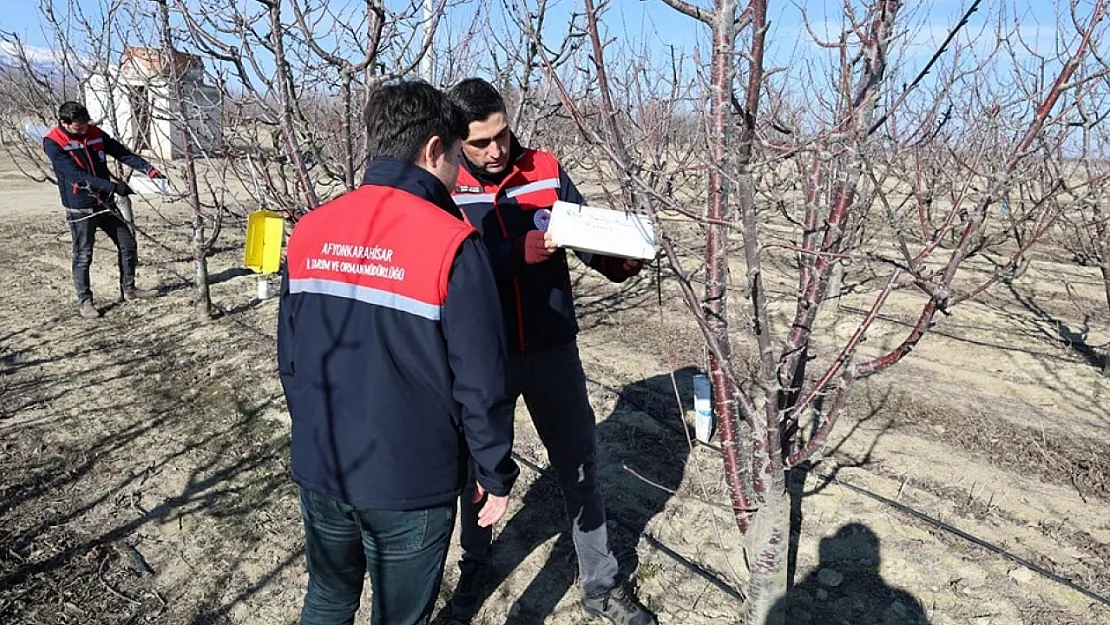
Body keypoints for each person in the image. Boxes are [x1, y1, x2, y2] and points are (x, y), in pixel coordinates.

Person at [277, 80, 519, 625]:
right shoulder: (452, 243)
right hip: (412, 481)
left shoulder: (312, 230)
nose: (461, 172)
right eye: (459, 156)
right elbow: (482, 381)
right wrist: (493, 472)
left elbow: (289, 359)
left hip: (323, 462)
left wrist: (313, 430)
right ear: (435, 149)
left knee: (327, 599)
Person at [445, 77, 654, 625]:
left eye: (502, 135)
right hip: (483, 356)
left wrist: (618, 262)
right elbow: (446, 274)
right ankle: (475, 572)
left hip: (552, 348)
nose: (496, 151)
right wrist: (516, 253)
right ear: (455, 142)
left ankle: (601, 586)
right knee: (478, 469)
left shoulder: (544, 168)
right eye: (480, 143)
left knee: (579, 464)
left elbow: (582, 233)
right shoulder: (444, 186)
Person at [43, 101, 164, 319]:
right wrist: (114, 187)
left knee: (127, 244)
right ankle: (85, 301)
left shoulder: (95, 133)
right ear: (64, 123)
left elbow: (121, 152)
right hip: (80, 207)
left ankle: (130, 290)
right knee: (83, 255)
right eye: (78, 128)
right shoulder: (53, 143)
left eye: (85, 125)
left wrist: (149, 169)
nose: (83, 131)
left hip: (106, 203)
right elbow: (76, 176)